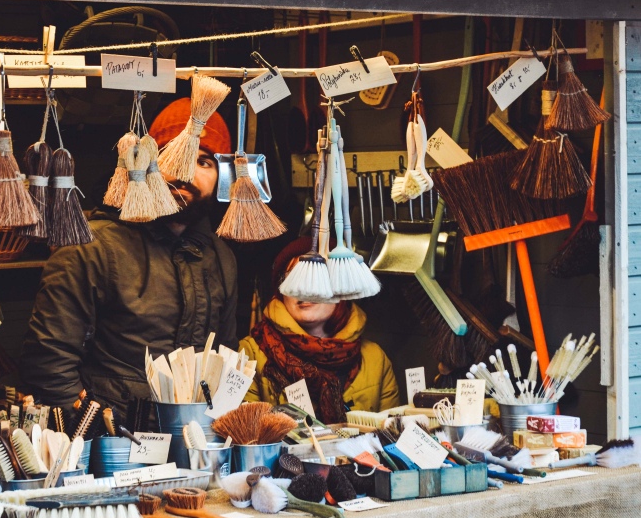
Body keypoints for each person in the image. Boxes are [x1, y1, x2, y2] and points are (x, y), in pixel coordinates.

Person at [20, 98, 238, 415]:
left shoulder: (220, 257)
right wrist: (94, 432)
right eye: (171, 155)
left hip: (193, 440)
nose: (185, 172)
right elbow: (48, 362)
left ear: (222, 176)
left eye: (204, 162)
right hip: (112, 443)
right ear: (145, 162)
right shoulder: (91, 248)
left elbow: (225, 356)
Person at [241, 237, 400, 423]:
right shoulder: (250, 355)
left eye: (319, 276)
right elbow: (247, 439)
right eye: (293, 277)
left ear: (342, 289)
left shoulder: (375, 360)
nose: (305, 288)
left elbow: (392, 437)